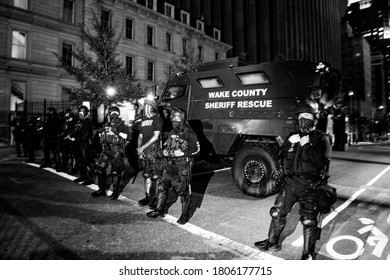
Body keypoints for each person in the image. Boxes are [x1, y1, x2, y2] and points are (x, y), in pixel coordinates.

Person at [254, 99, 331, 260]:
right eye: (302, 115)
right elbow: (282, 155)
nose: (304, 119)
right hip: (290, 183)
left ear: (314, 119)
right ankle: (272, 242)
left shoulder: (321, 138)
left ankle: (307, 253)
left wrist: (306, 145)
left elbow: (321, 161)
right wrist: (289, 143)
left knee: (309, 221)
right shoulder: (293, 136)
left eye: (308, 115)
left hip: (310, 186)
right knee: (276, 213)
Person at [146, 107, 200, 225]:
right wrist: (164, 151)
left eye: (175, 119)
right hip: (170, 164)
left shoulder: (190, 133)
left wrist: (183, 153)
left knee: (183, 190)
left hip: (183, 165)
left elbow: (197, 150)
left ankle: (184, 214)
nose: (173, 122)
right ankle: (159, 210)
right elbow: (167, 145)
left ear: (181, 119)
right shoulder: (171, 132)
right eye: (172, 119)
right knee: (162, 186)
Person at [92, 106, 132, 199]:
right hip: (105, 150)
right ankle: (101, 190)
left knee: (116, 172)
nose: (113, 116)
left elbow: (129, 137)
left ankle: (115, 192)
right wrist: (100, 132)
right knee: (100, 169)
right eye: (111, 114)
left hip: (116, 151)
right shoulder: (106, 125)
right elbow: (102, 135)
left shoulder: (122, 126)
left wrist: (118, 132)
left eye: (115, 114)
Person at [137, 96, 164, 209]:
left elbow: (155, 137)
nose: (145, 108)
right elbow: (140, 136)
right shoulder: (143, 121)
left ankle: (155, 199)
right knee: (146, 175)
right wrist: (139, 150)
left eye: (147, 106)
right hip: (144, 151)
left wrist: (142, 147)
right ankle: (147, 197)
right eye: (144, 106)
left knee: (155, 176)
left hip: (154, 150)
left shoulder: (157, 119)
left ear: (152, 107)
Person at [69, 105, 93, 184]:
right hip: (79, 143)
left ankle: (90, 178)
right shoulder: (79, 121)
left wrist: (72, 135)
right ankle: (83, 176)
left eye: (81, 114)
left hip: (85, 144)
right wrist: (72, 134)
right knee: (80, 161)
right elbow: (75, 130)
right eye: (79, 114)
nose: (79, 115)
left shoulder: (87, 122)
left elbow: (81, 131)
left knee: (87, 161)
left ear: (85, 113)